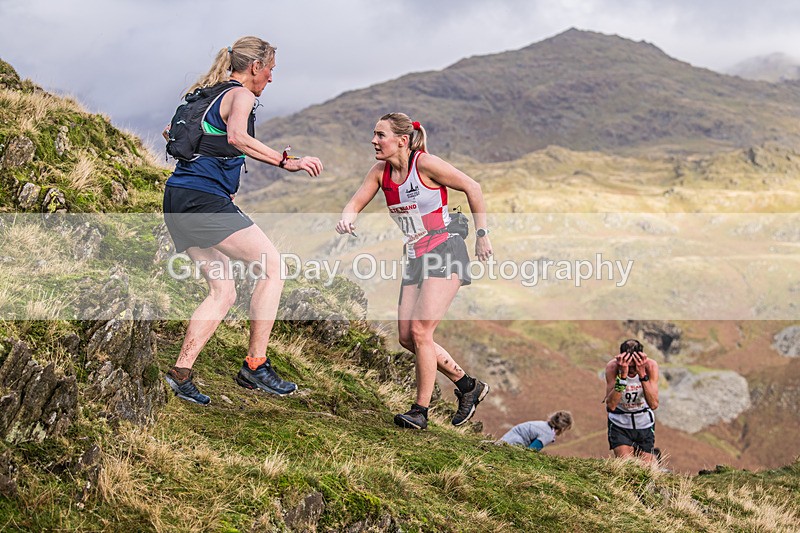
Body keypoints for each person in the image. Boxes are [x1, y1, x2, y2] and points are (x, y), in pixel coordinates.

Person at [162, 36, 323, 405]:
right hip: (203, 200)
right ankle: (255, 364)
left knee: (224, 291)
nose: (271, 78)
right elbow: (237, 137)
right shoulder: (241, 95)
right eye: (270, 70)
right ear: (255, 67)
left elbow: (178, 138)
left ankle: (180, 373)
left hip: (177, 197)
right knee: (272, 267)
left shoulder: (205, 93)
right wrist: (288, 162)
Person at [335, 112, 493, 430]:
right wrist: (348, 216)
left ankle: (420, 412)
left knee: (421, 331)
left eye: (380, 135)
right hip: (415, 255)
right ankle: (467, 386)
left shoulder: (425, 165)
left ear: (402, 140)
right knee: (407, 337)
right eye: (374, 134)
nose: (374, 140)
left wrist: (481, 234)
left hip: (446, 248)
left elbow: (472, 187)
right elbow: (355, 201)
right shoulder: (380, 172)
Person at [604, 339, 660, 463]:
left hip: (644, 423)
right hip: (620, 423)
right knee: (627, 466)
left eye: (635, 366)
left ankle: (656, 463)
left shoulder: (650, 366)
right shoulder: (612, 367)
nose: (631, 371)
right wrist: (623, 377)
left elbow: (654, 404)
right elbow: (611, 405)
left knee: (646, 470)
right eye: (629, 366)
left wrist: (642, 375)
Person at [498, 411, 573, 450]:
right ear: (563, 428)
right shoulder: (547, 434)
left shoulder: (542, 424)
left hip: (506, 440)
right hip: (513, 445)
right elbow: (531, 451)